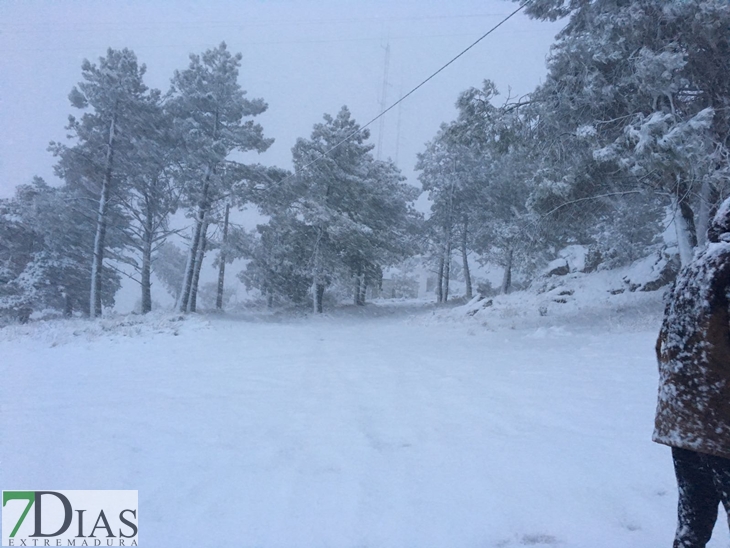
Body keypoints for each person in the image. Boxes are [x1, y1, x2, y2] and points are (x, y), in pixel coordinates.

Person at [654, 197, 730, 548]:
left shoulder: (694, 267)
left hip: (684, 422)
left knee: (692, 525)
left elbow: (663, 345)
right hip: (722, 427)